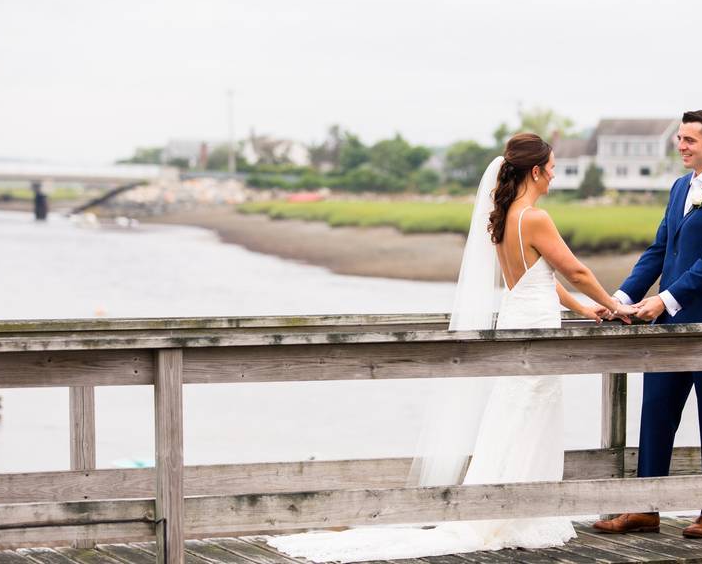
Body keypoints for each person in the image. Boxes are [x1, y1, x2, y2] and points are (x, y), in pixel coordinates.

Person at [267, 133, 635, 562]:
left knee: (517, 413)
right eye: (551, 167)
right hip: (535, 325)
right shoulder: (535, 217)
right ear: (534, 171)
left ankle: (512, 505)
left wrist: (587, 311)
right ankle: (518, 510)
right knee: (530, 413)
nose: (554, 174)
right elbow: (574, 268)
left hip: (519, 317)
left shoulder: (504, 217)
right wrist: (612, 304)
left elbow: (543, 280)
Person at [592, 110, 702, 539]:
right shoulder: (680, 187)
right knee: (656, 411)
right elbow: (659, 250)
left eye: (688, 140)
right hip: (669, 326)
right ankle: (646, 509)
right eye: (680, 139)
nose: (680, 146)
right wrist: (622, 298)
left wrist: (664, 300)